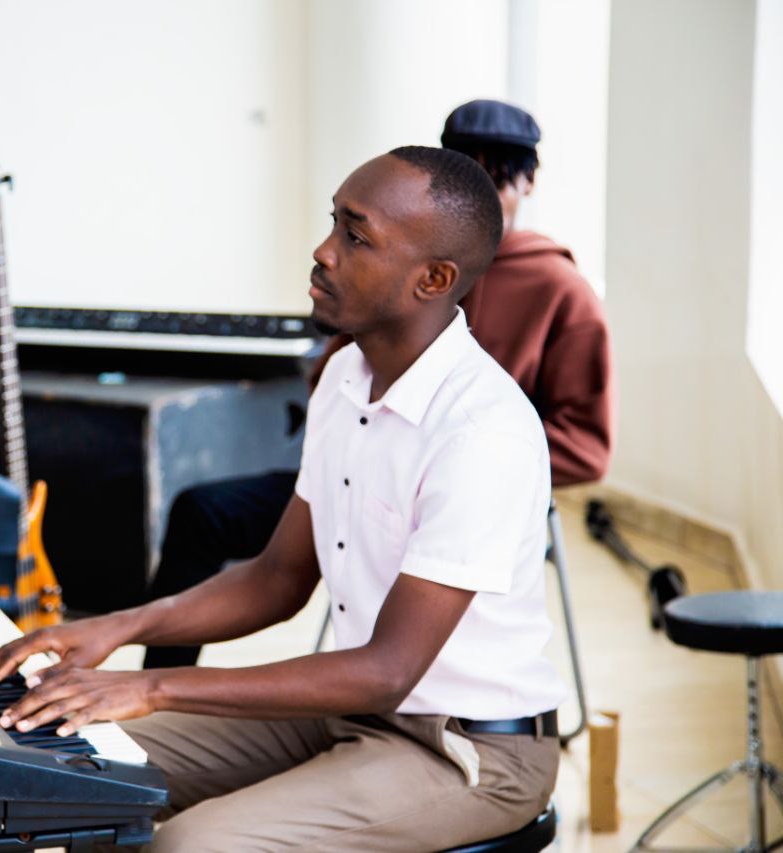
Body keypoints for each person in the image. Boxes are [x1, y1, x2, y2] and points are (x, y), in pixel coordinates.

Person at [0, 146, 564, 850]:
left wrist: (156, 686)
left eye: (356, 235)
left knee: (195, 845)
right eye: (332, 223)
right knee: (56, 757)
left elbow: (386, 670)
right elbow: (276, 578)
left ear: (432, 279)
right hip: (356, 714)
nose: (323, 251)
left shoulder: (481, 431)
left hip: (468, 749)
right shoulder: (347, 375)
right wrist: (116, 628)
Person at [142, 98, 612, 670]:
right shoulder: (381, 269)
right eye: (468, 169)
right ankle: (156, 691)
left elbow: (587, 447)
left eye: (500, 177)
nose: (486, 190)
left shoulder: (562, 292)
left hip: (463, 496)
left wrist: (446, 456)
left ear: (529, 181)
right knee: (202, 512)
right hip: (355, 472)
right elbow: (340, 380)